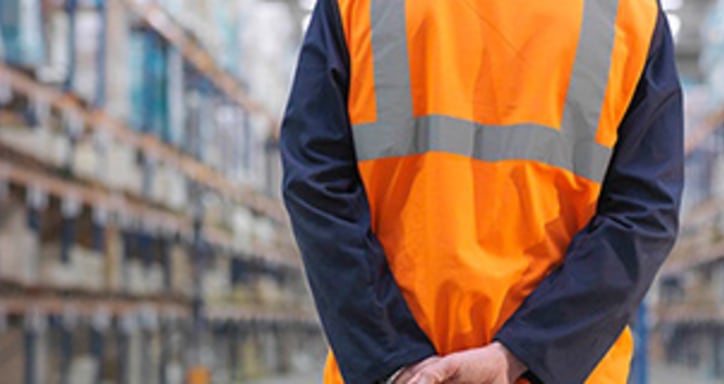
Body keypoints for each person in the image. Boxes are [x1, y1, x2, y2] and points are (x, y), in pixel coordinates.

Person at [279, 0, 682, 382]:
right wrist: (522, 355)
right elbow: (644, 213)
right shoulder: (630, 10)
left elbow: (316, 182)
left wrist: (394, 360)